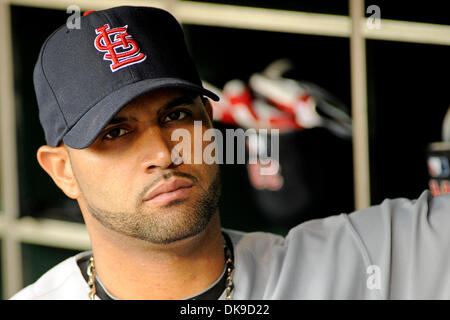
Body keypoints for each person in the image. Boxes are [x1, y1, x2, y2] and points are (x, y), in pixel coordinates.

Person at [10, 6, 450, 300]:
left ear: (209, 121)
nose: (164, 153)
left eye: (176, 115)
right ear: (62, 170)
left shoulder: (356, 262)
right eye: (115, 133)